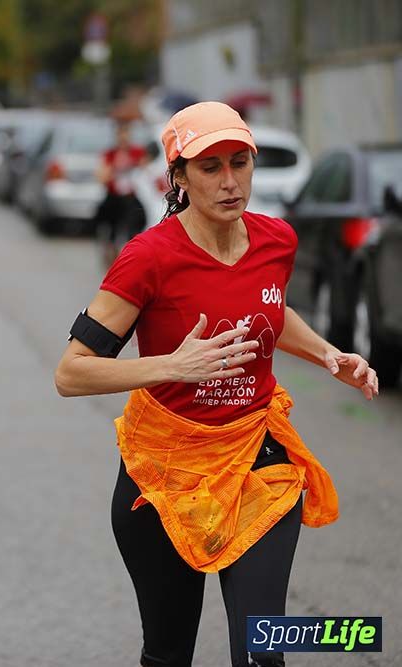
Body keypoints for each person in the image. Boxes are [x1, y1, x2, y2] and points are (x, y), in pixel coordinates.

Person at [54, 101, 379, 667]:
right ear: (178, 176)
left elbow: (271, 311)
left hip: (257, 458)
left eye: (240, 163)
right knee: (169, 653)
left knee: (264, 650)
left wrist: (329, 354)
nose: (230, 183)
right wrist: (172, 366)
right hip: (164, 472)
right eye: (210, 168)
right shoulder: (147, 259)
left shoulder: (276, 240)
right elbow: (72, 371)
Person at [95, 121, 149, 268]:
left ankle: (130, 261)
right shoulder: (110, 154)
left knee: (133, 229)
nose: (123, 138)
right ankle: (112, 262)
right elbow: (101, 176)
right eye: (121, 134)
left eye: (126, 134)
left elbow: (146, 171)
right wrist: (114, 169)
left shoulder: (137, 152)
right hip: (114, 197)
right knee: (111, 230)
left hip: (130, 198)